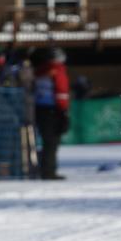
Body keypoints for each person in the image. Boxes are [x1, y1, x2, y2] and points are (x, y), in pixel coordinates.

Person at [33, 47, 70, 180]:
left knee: (46, 141)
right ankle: (49, 171)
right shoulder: (58, 70)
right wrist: (63, 111)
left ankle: (45, 169)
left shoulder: (40, 71)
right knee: (52, 142)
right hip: (53, 110)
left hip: (39, 109)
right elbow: (61, 91)